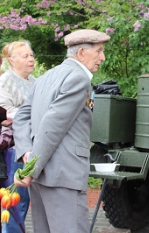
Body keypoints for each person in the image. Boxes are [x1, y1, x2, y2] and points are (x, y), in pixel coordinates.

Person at [12, 29, 110, 232]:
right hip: (63, 178)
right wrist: (30, 167)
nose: (103, 57)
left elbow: (21, 118)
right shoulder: (79, 79)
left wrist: (26, 152)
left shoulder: (46, 77)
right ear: (81, 52)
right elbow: (52, 126)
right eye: (99, 51)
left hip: (42, 178)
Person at [0, 40, 36, 233]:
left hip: (30, 148)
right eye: (25, 56)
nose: (31, 59)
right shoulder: (5, 82)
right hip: (13, 150)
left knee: (23, 201)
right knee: (13, 203)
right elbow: (5, 116)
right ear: (11, 60)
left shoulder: (35, 82)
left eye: (31, 55)